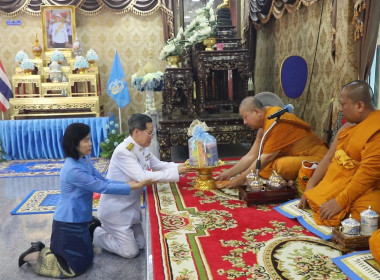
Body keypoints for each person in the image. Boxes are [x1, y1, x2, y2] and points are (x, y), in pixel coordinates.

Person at [18, 123, 154, 278]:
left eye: (90, 139)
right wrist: (131, 186)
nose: (90, 144)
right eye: (85, 141)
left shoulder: (84, 160)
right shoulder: (72, 170)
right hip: (68, 223)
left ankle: (85, 233)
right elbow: (101, 187)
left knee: (87, 260)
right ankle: (34, 253)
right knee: (72, 268)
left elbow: (104, 181)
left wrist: (128, 184)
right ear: (74, 144)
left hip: (81, 219)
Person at [93, 113, 190, 258]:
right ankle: (94, 233)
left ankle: (113, 233)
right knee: (131, 252)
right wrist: (176, 171)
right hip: (116, 212)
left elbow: (158, 165)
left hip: (130, 209)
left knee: (142, 245)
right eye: (149, 133)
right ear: (137, 132)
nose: (152, 137)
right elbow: (142, 177)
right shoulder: (123, 152)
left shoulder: (141, 147)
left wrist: (181, 166)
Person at [299, 80, 380, 227]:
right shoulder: (348, 127)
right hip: (339, 184)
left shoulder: (376, 129)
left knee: (364, 216)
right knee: (309, 186)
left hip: (368, 188)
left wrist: (339, 202)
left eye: (343, 104)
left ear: (360, 105)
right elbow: (330, 157)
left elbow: (367, 175)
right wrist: (310, 187)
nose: (340, 109)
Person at [217, 95, 328, 188]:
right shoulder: (264, 126)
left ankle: (296, 181)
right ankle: (291, 181)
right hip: (297, 156)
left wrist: (240, 179)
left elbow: (266, 158)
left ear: (256, 111)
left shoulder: (276, 121)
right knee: (260, 166)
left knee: (277, 166)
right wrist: (229, 173)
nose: (245, 122)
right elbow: (251, 155)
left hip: (317, 158)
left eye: (245, 117)